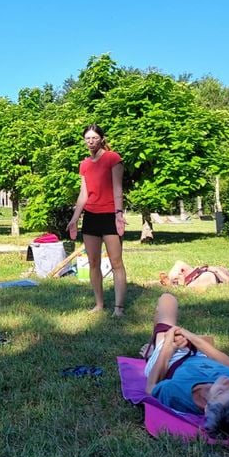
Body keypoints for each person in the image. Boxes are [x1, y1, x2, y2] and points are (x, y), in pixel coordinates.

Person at [144, 293, 229, 438]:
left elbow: (151, 387)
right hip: (202, 356)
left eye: (220, 391)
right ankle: (160, 341)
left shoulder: (178, 394)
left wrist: (168, 346)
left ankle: (154, 348)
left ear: (206, 408)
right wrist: (194, 339)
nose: (228, 382)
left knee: (167, 301)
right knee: (202, 339)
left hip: (171, 359)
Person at [66, 124, 128, 316]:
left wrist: (118, 213)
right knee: (93, 263)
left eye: (94, 138)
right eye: (87, 138)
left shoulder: (113, 158)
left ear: (101, 138)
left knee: (116, 262)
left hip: (110, 215)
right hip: (91, 218)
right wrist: (75, 219)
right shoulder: (84, 164)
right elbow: (83, 194)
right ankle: (99, 304)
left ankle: (119, 308)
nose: (91, 141)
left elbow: (118, 188)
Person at [159, 260, 229, 289]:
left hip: (205, 276)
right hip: (204, 276)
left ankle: (172, 281)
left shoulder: (175, 270)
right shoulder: (176, 272)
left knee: (221, 270)